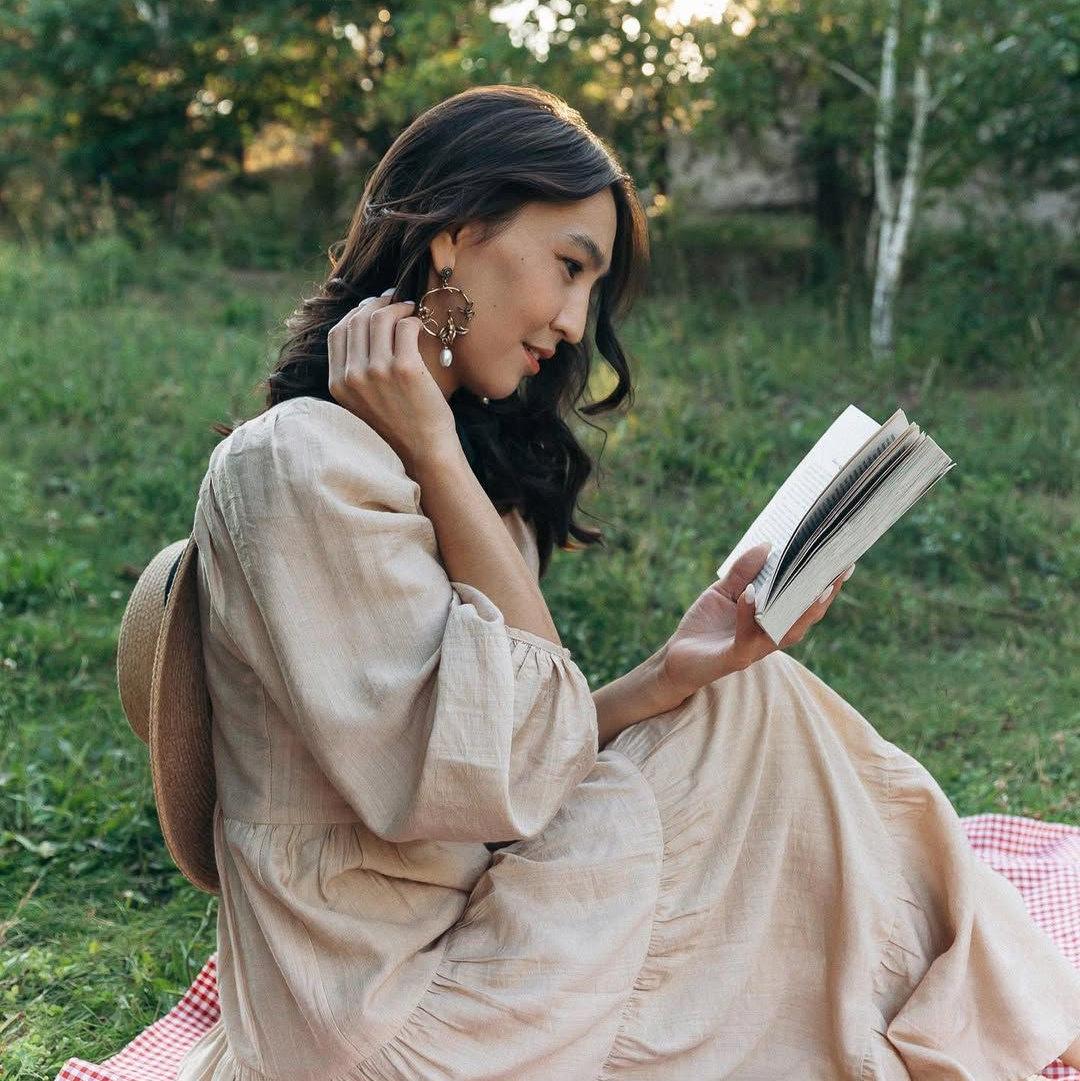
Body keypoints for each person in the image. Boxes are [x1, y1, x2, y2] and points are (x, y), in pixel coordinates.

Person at [134, 85, 1080, 1080]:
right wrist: (432, 445)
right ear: (454, 238)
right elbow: (503, 773)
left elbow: (504, 757)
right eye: (570, 268)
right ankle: (996, 1009)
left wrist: (673, 671)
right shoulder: (305, 466)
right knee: (756, 745)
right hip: (392, 1022)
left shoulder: (440, 457)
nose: (578, 323)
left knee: (742, 691)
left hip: (460, 936)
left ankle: (981, 998)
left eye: (597, 289)